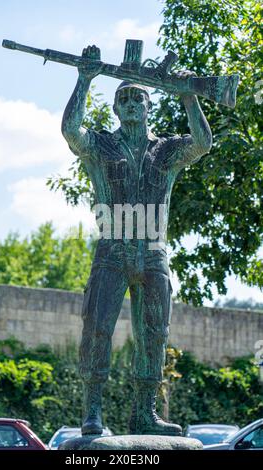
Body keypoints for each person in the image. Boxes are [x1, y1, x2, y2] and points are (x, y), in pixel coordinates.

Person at [62, 45, 212, 436]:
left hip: (154, 251)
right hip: (112, 247)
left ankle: (144, 413)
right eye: (123, 98)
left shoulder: (166, 149)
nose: (130, 103)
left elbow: (202, 143)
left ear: (148, 105)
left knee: (155, 334)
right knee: (97, 327)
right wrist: (84, 78)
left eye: (137, 97)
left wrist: (189, 97)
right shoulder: (101, 145)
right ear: (115, 109)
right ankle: (92, 411)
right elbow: (70, 131)